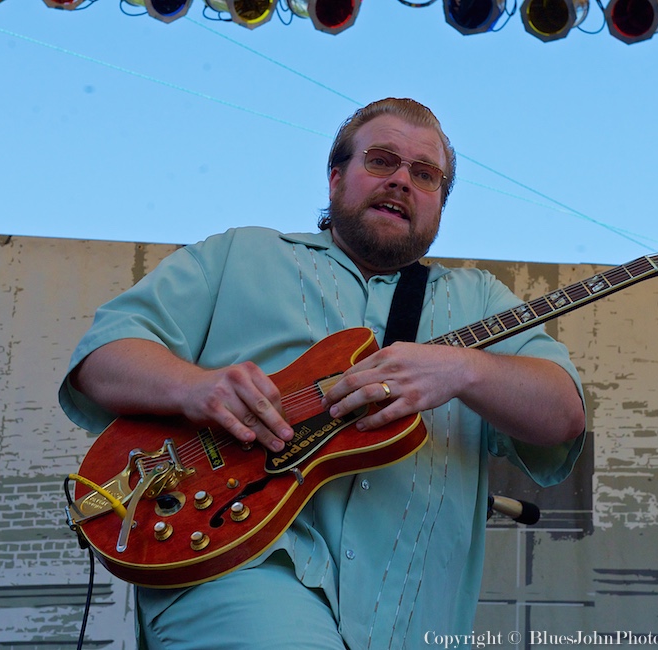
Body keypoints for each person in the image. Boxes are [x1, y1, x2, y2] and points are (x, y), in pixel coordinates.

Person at [59, 97, 586, 650]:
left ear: (439, 206)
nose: (402, 181)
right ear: (336, 178)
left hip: (412, 616)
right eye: (382, 161)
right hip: (231, 557)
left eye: (425, 175)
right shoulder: (242, 253)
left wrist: (465, 369)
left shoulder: (481, 300)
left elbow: (563, 416)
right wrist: (197, 388)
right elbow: (104, 357)